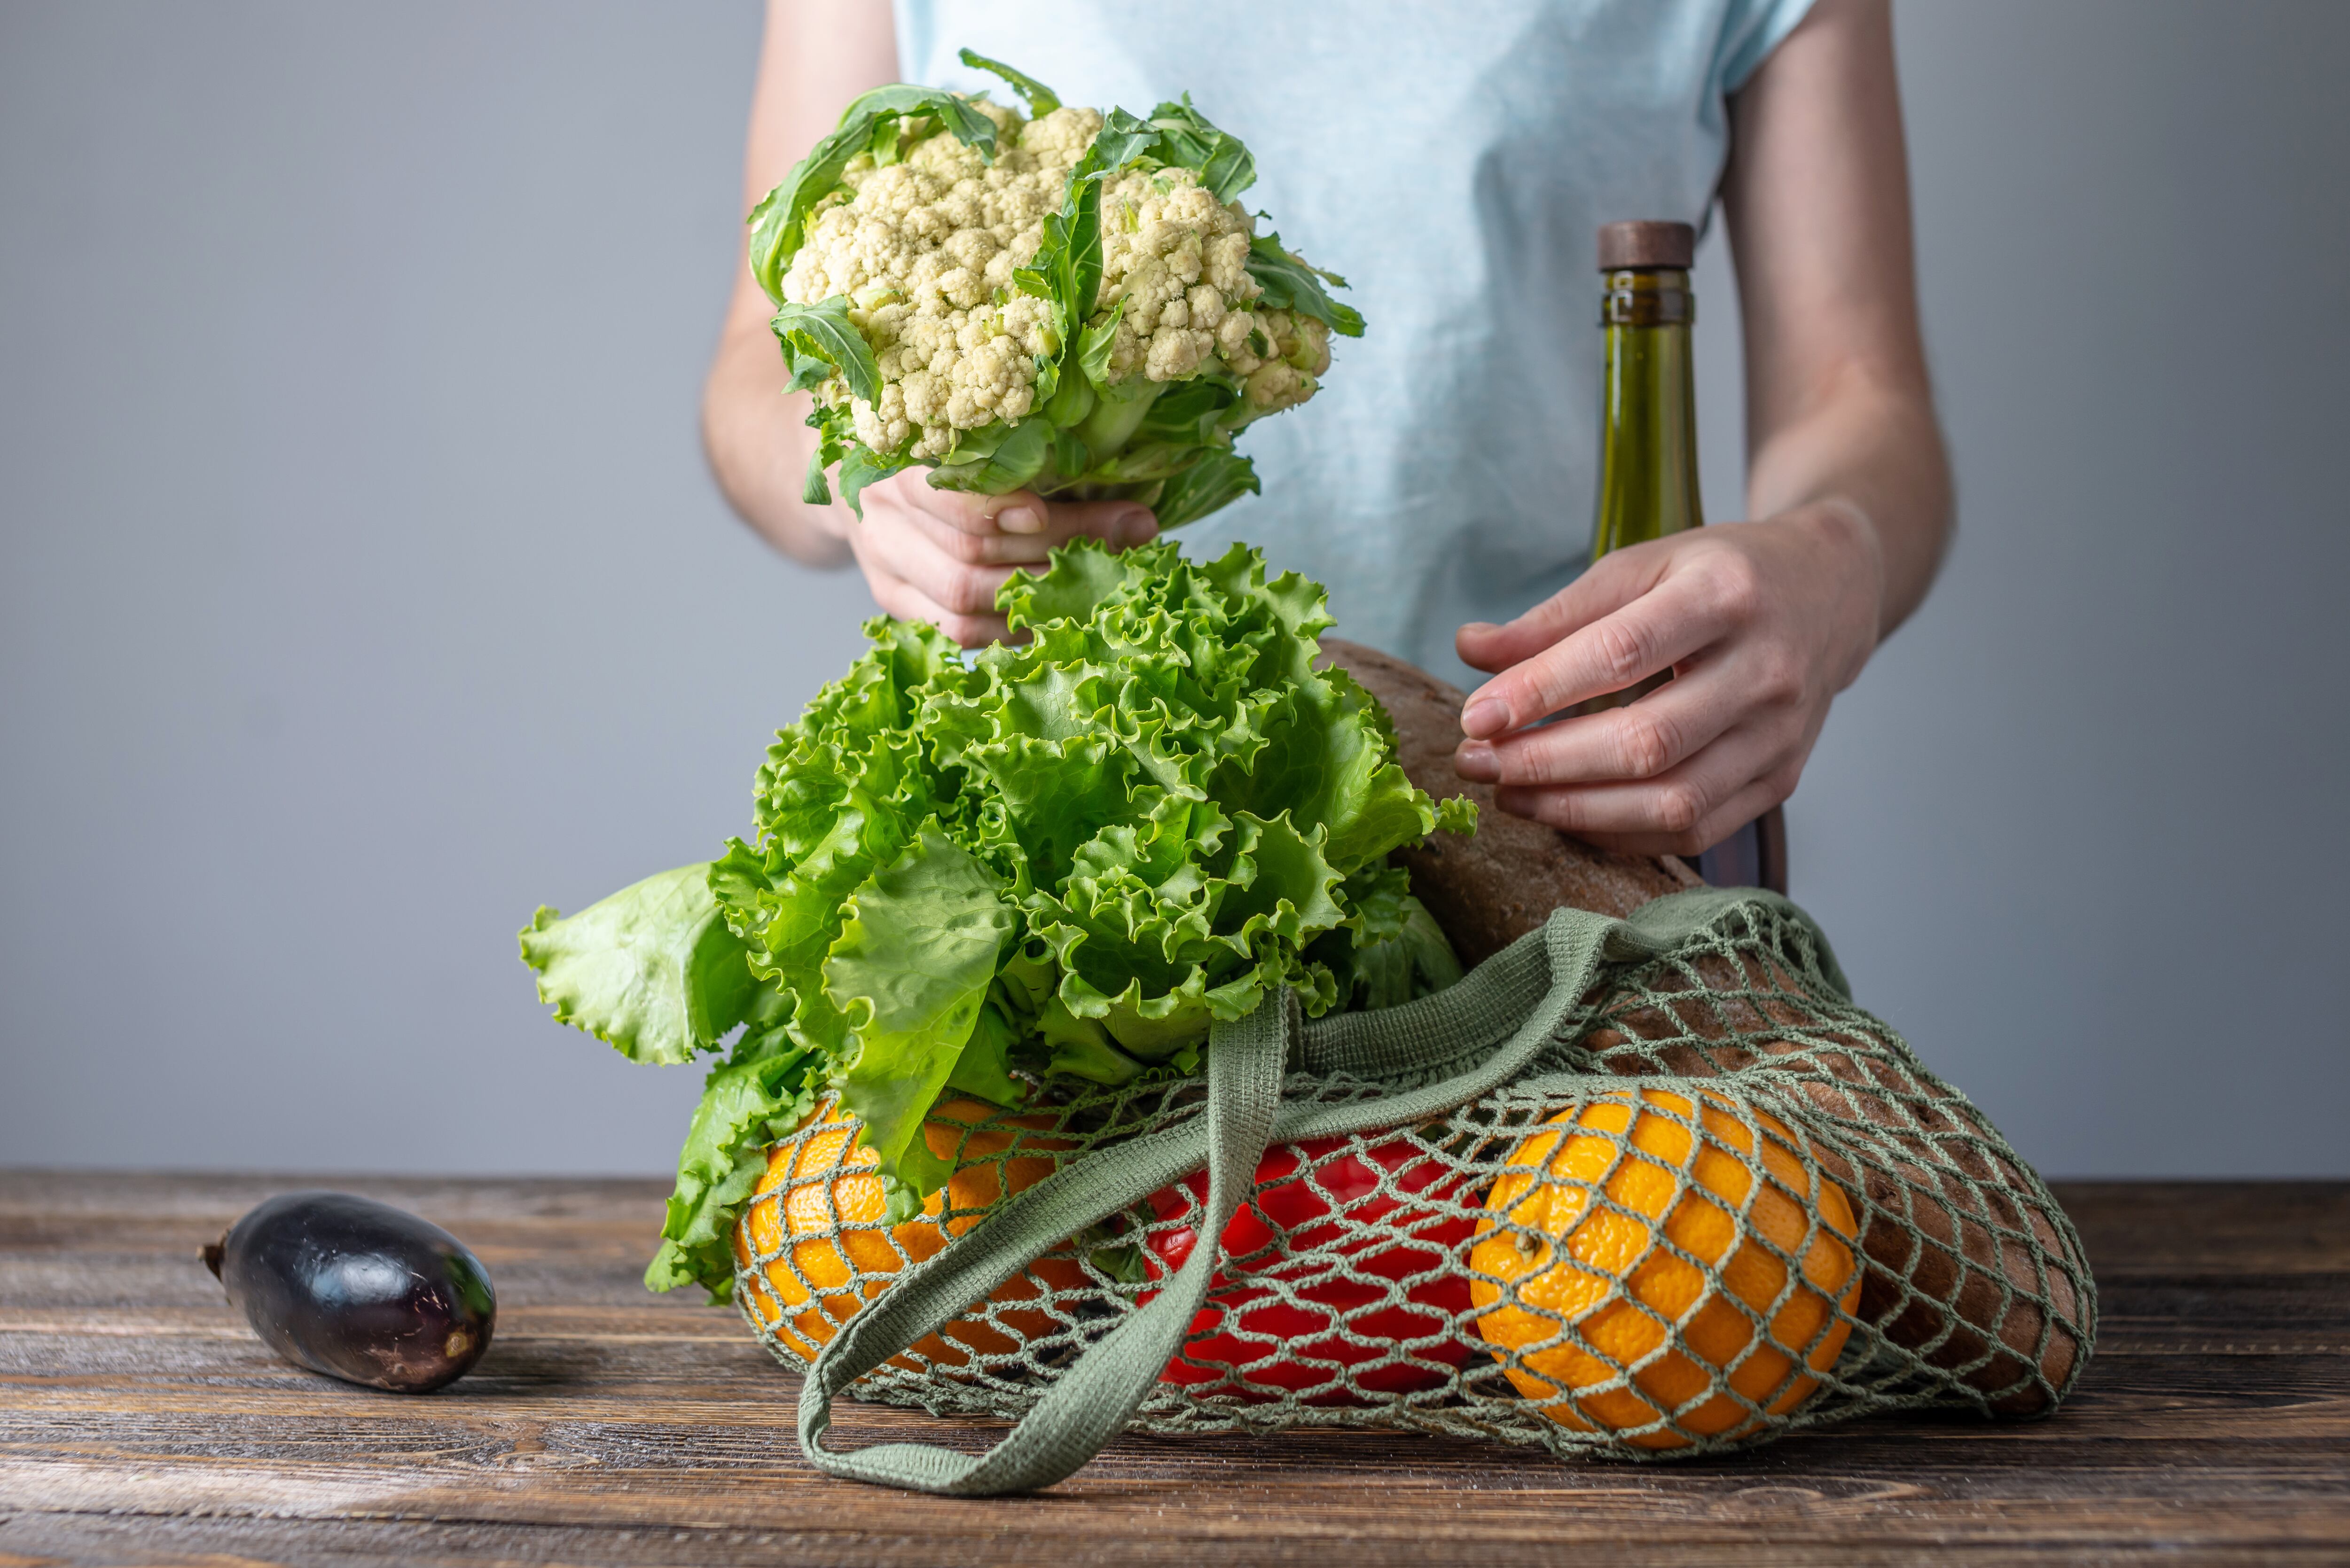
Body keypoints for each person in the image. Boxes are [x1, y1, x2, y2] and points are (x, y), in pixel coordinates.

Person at [702, 0, 1949, 864]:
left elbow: (1858, 396)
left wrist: (1830, 564)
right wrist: (863, 484)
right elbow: (759, 374)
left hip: (1558, 830)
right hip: (1071, 814)